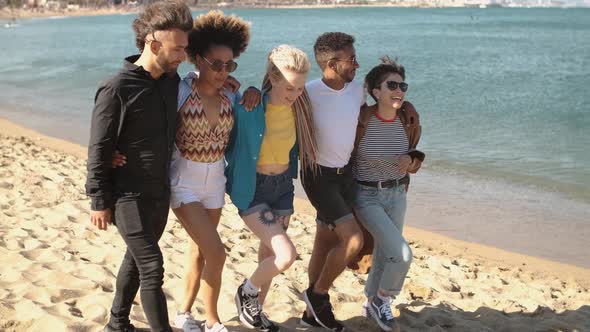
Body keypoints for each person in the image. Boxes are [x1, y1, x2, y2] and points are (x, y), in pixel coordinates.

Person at [299, 32, 419, 331]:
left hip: (346, 177)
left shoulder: (356, 91)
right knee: (352, 240)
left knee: (324, 243)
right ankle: (318, 296)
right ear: (331, 63)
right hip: (318, 175)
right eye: (351, 59)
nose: (356, 63)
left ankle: (308, 314)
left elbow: (384, 108)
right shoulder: (308, 92)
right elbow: (275, 98)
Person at [85, 2, 193, 331]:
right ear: (153, 43)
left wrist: (236, 86)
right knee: (152, 265)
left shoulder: (172, 81)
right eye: (177, 49)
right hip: (126, 195)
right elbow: (99, 148)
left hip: (159, 192)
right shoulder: (117, 88)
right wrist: (99, 200)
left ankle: (118, 323)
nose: (182, 56)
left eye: (186, 49)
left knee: (135, 260)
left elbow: (207, 82)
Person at [225, 44, 318, 332]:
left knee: (268, 255)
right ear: (273, 78)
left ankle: (255, 313)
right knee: (285, 256)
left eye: (300, 87)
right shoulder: (250, 106)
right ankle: (247, 290)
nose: (295, 94)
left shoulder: (299, 109)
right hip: (253, 189)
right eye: (289, 87)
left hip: (282, 189)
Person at [169, 10, 252, 332]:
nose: (222, 71)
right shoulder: (179, 91)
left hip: (216, 181)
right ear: (198, 59)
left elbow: (259, 111)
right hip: (184, 181)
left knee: (200, 252)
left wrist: (254, 92)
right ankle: (213, 319)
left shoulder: (232, 94)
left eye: (228, 65)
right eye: (215, 63)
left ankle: (183, 313)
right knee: (217, 252)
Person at [352, 57, 424, 332]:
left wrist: (411, 159)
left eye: (402, 85)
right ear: (375, 92)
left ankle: (371, 300)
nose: (399, 90)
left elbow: (415, 154)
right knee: (402, 254)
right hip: (366, 196)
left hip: (397, 194)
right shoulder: (362, 120)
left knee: (386, 251)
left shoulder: (407, 120)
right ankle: (384, 299)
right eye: (391, 85)